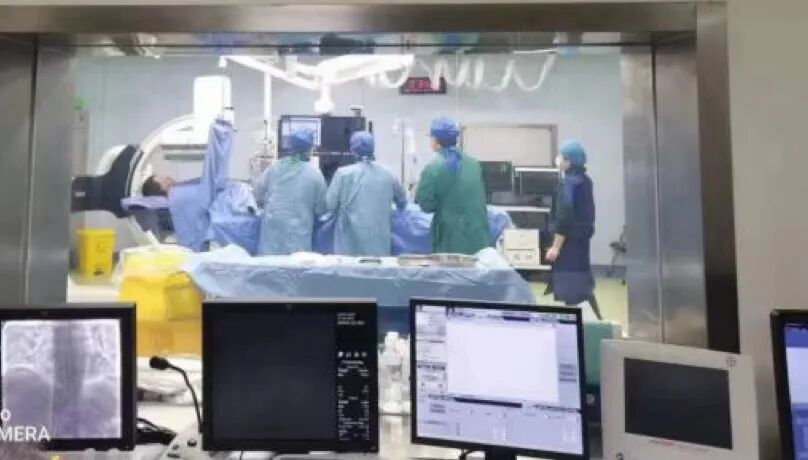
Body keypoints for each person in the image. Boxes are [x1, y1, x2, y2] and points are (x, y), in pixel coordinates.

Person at [414, 117, 489, 255]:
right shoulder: (474, 164)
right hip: (478, 237)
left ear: (436, 141)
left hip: (451, 240)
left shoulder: (433, 168)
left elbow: (426, 206)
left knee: (451, 268)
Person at [326, 131, 407, 256]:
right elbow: (402, 203)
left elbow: (330, 206)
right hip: (378, 246)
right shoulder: (388, 174)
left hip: (348, 245)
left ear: (353, 151)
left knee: (348, 266)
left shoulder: (342, 174)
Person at [545, 141, 601, 319]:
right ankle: (595, 320)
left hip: (568, 245)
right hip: (581, 243)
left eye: (562, 156)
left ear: (569, 160)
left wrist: (556, 247)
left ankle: (578, 324)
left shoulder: (568, 184)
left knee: (571, 290)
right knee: (581, 286)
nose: (558, 159)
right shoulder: (585, 181)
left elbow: (564, 217)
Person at [254, 127, 327, 255]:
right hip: (298, 234)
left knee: (269, 265)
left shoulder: (275, 167)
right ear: (310, 149)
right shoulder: (315, 174)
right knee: (295, 265)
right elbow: (321, 209)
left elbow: (257, 195)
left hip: (272, 230)